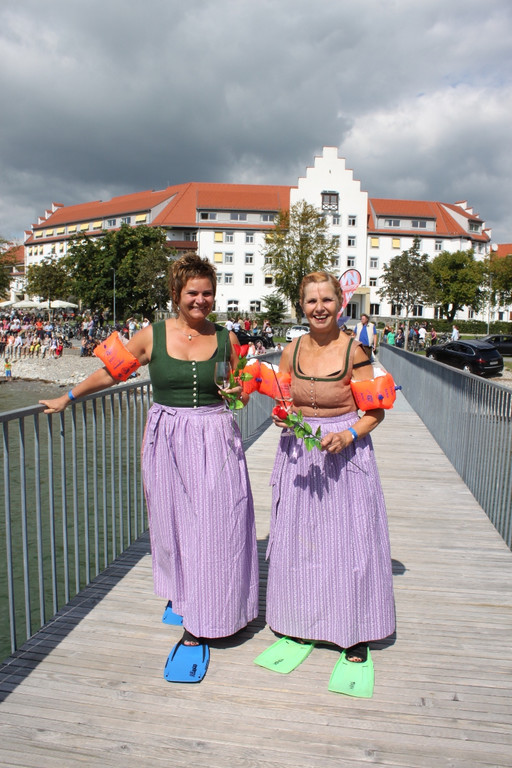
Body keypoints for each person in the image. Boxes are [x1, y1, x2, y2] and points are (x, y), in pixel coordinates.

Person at [39, 252, 259, 683]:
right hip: (168, 438)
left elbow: (242, 389)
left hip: (215, 435)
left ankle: (207, 618)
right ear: (176, 293)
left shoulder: (227, 339)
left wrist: (240, 392)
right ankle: (185, 598)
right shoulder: (151, 335)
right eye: (192, 293)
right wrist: (68, 396)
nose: (200, 300)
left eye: (207, 293)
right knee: (174, 523)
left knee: (219, 524)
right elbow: (111, 373)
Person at [264, 271, 395, 687]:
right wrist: (282, 416)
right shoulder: (291, 350)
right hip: (300, 451)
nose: (319, 308)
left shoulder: (355, 351)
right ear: (301, 306)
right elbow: (284, 400)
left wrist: (349, 434)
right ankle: (299, 619)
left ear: (340, 303)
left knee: (350, 541)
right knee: (300, 538)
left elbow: (375, 411)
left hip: (345, 451)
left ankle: (354, 630)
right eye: (311, 301)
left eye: (326, 300)